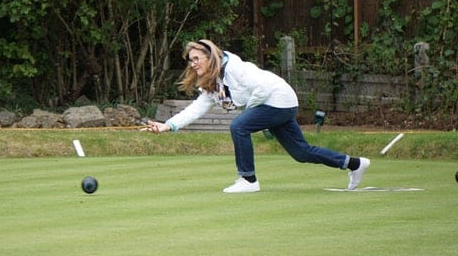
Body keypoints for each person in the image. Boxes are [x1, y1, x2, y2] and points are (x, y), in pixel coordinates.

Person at [144, 39, 370, 193]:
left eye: (196, 59)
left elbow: (261, 89)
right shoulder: (213, 82)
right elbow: (197, 108)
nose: (192, 65)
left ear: (210, 56)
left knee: (239, 126)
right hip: (274, 104)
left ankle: (248, 179)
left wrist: (251, 114)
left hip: (279, 99)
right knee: (301, 152)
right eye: (190, 61)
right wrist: (168, 125)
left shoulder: (235, 68)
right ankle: (354, 164)